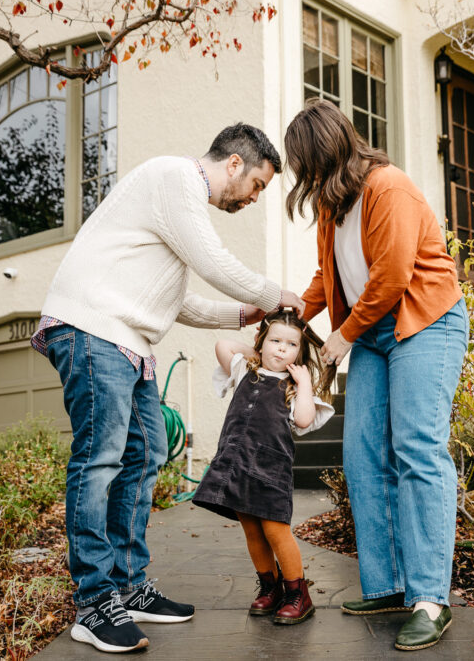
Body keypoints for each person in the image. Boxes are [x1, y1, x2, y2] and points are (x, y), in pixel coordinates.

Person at [31, 124, 305, 653]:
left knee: (148, 454)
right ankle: (93, 602)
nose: (253, 197)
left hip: (127, 338)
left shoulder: (175, 216)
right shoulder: (173, 177)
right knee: (100, 460)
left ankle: (130, 586)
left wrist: (243, 313)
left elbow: (178, 302)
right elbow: (213, 262)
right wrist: (274, 295)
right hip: (93, 330)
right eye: (257, 185)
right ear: (233, 164)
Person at [284, 99, 469, 652]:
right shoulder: (330, 205)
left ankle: (431, 599)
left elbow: (391, 278)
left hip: (424, 323)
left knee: (418, 449)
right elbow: (330, 275)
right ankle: (389, 586)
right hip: (372, 333)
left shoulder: (388, 187)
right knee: (363, 454)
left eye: (307, 164)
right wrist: (292, 317)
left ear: (330, 152)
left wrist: (339, 339)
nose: (305, 177)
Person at [192, 309, 335, 624]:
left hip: (270, 470)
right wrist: (255, 351)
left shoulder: (293, 387)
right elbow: (223, 345)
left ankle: (298, 592)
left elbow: (304, 419)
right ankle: (270, 587)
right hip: (236, 465)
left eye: (291, 345)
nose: (282, 349)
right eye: (275, 341)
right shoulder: (245, 370)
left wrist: (305, 382)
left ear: (300, 352)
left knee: (275, 530)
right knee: (252, 529)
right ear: (261, 343)